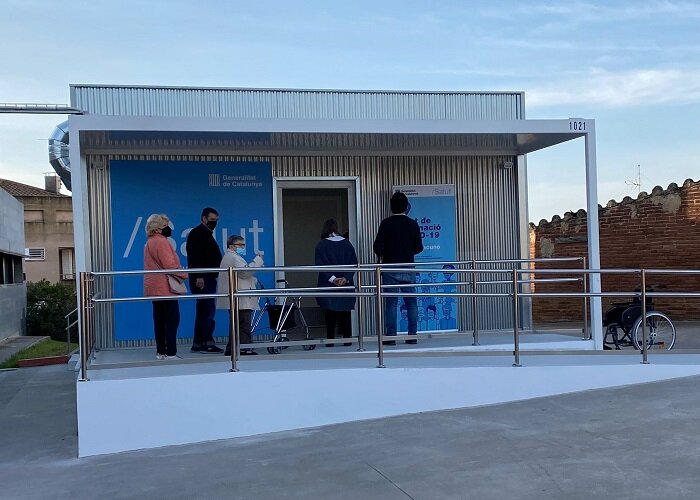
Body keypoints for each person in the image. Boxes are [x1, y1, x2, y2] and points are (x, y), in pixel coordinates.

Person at [373, 192, 424, 345]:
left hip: (390, 268)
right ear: (406, 207)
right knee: (411, 302)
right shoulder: (412, 224)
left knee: (391, 303)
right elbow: (419, 247)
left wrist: (385, 252)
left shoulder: (386, 223)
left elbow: (377, 247)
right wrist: (408, 252)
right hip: (408, 267)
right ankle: (412, 335)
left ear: (391, 207)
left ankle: (391, 337)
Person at [143, 213, 187, 360]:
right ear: (158, 229)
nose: (169, 228)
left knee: (159, 320)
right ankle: (171, 352)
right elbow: (169, 264)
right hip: (165, 287)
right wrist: (184, 274)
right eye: (165, 226)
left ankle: (161, 351)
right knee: (172, 320)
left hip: (154, 286)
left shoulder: (150, 242)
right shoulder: (161, 242)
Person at [216, 235, 264, 356]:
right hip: (239, 296)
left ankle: (232, 348)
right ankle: (243, 348)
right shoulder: (233, 257)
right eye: (240, 245)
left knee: (236, 323)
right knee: (243, 323)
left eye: (243, 245)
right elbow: (245, 272)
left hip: (236, 295)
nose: (243, 247)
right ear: (232, 246)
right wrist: (258, 261)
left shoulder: (230, 257)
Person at [315, 219, 358, 347]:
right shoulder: (347, 244)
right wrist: (345, 278)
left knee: (330, 313)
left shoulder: (321, 245)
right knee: (345, 312)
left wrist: (333, 279)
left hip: (328, 285)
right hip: (346, 285)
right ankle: (347, 339)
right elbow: (353, 263)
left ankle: (330, 341)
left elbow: (320, 265)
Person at [186, 207, 224, 353]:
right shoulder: (197, 233)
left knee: (204, 310)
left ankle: (198, 342)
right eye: (212, 220)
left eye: (216, 220)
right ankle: (206, 342)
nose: (214, 223)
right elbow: (195, 257)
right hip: (203, 278)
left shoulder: (206, 233)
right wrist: (199, 276)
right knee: (207, 310)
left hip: (208, 277)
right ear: (204, 218)